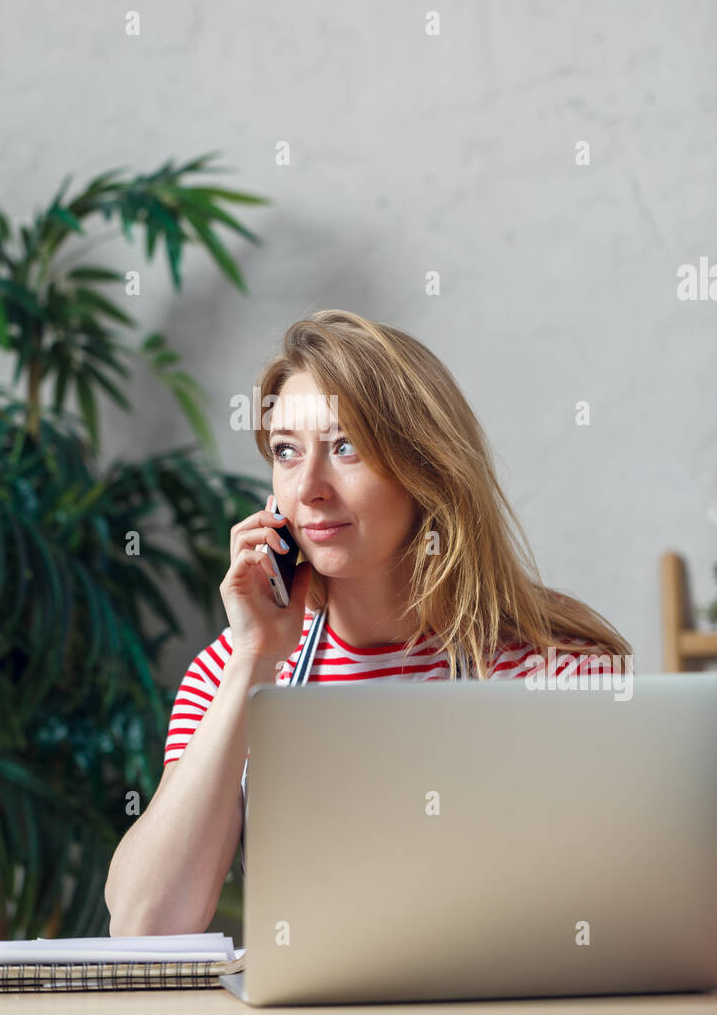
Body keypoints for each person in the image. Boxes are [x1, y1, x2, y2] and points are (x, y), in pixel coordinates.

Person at [105, 309, 632, 936]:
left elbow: (612, 918)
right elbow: (146, 924)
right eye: (286, 452)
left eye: (346, 447)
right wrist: (254, 658)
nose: (310, 489)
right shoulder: (230, 671)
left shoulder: (553, 670)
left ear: (427, 468)